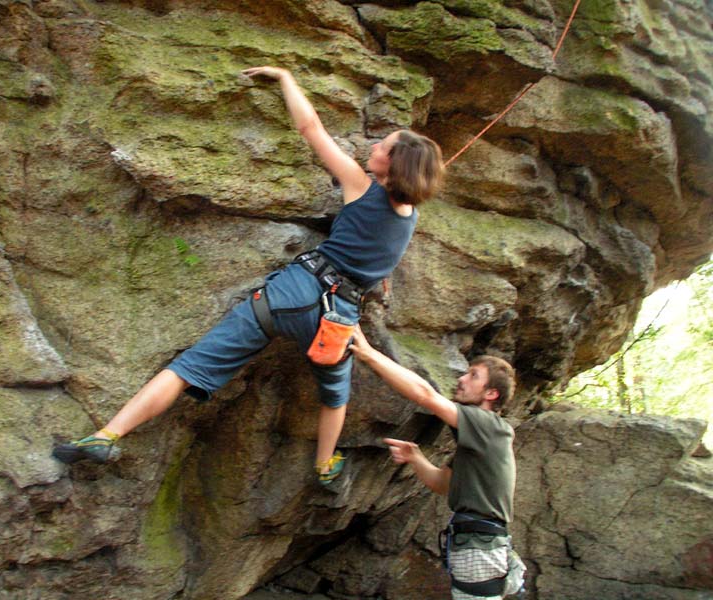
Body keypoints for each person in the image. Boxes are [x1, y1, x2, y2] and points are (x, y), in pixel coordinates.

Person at [52, 66, 444, 486]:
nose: (373, 146)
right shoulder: (409, 218)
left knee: (189, 367)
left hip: (293, 293)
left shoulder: (359, 185)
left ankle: (107, 434)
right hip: (337, 321)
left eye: (381, 147)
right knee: (335, 397)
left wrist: (285, 77)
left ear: (393, 163)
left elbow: (309, 126)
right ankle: (325, 466)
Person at [348, 327, 517, 598]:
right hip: (475, 542)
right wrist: (416, 458)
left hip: (479, 545)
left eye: (473, 376)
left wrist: (369, 354)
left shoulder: (490, 427)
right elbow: (442, 483)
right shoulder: (476, 443)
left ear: (491, 394)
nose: (461, 379)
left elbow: (425, 395)